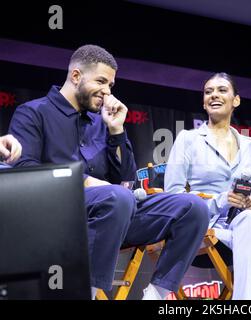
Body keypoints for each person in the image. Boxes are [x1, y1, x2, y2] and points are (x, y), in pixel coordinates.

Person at [8, 44, 209, 300]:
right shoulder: (33, 113)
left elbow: (126, 180)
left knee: (193, 208)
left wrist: (116, 131)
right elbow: (25, 172)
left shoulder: (101, 120)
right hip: (57, 219)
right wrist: (83, 182)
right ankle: (86, 293)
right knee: (117, 198)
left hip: (114, 213)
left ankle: (156, 296)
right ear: (76, 76)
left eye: (111, 85)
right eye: (101, 81)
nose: (107, 92)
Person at [164, 72, 251, 300]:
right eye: (208, 92)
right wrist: (220, 201)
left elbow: (249, 192)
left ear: (236, 100)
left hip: (239, 229)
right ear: (204, 102)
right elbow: (173, 198)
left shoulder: (250, 145)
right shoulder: (188, 139)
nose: (214, 95)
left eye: (221, 90)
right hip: (200, 227)